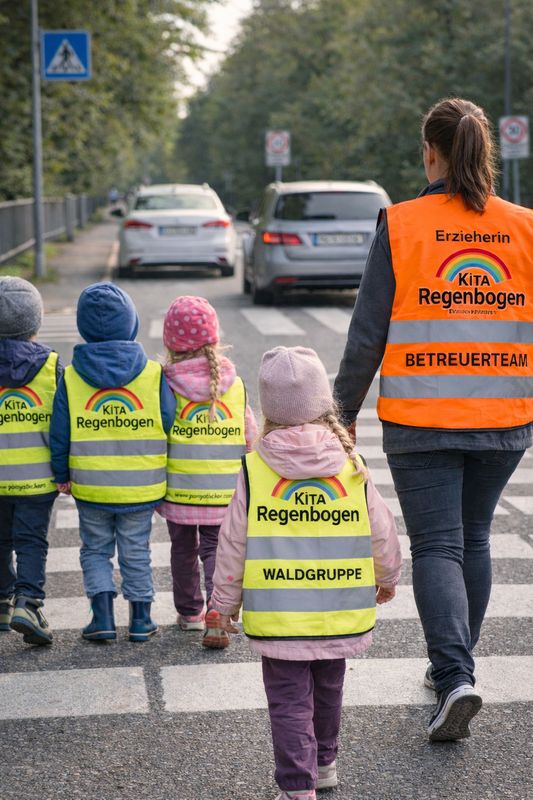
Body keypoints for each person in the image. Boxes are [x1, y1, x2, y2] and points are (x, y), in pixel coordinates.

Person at [334, 97, 533, 741]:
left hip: (422, 418)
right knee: (471, 539)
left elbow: (368, 334)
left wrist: (338, 417)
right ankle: (457, 669)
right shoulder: (525, 227)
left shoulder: (402, 223)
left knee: (439, 546)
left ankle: (454, 677)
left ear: (430, 153)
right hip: (506, 417)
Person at [211, 346, 401, 800]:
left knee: (288, 701)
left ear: (268, 409)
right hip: (340, 607)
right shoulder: (350, 464)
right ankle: (326, 762)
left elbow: (234, 541)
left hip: (278, 614)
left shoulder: (255, 468)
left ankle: (298, 786)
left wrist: (222, 604)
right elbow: (381, 530)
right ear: (323, 404)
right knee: (329, 688)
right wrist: (387, 576)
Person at [50, 283, 176, 642]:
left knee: (94, 550)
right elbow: (169, 420)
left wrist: (62, 474)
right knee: (136, 550)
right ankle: (140, 619)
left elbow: (61, 432)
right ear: (133, 323)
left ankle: (101, 617)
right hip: (141, 484)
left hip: (90, 485)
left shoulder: (72, 376)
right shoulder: (153, 374)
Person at [157, 295, 257, 648]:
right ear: (214, 338)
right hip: (224, 488)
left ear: (171, 343)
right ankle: (218, 607)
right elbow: (250, 438)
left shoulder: (164, 383)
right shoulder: (235, 384)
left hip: (180, 487)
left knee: (182, 548)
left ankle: (190, 613)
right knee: (217, 548)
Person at [0, 277, 63, 646]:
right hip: (38, 477)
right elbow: (63, 423)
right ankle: (28, 602)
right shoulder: (51, 366)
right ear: (34, 323)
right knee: (30, 541)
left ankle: (2, 602)